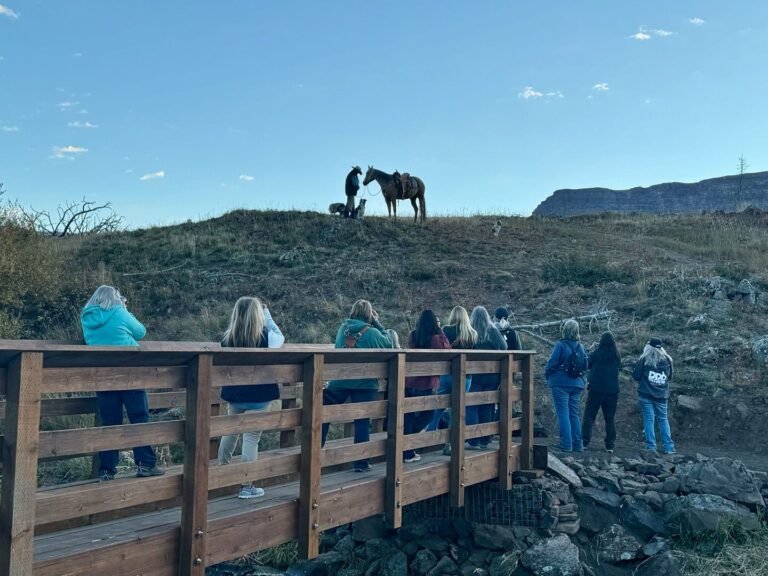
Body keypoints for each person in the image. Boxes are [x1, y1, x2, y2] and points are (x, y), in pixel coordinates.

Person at [80, 285, 165, 481]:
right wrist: (125, 310)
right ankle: (145, 464)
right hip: (130, 374)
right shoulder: (119, 311)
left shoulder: (86, 317)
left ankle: (106, 470)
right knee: (139, 417)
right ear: (115, 298)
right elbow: (140, 332)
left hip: (103, 377)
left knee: (110, 422)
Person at [217, 297, 285, 499]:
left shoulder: (226, 339)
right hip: (259, 395)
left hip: (235, 393)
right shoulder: (266, 337)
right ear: (258, 316)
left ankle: (221, 474)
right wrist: (268, 316)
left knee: (230, 432)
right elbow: (281, 338)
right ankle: (246, 485)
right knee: (251, 438)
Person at [322, 299, 393, 472]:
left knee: (323, 414)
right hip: (365, 383)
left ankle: (315, 451)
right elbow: (389, 344)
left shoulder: (342, 329)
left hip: (339, 381)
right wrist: (377, 323)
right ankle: (361, 463)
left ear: (353, 311)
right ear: (370, 314)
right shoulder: (373, 333)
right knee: (362, 422)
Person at [403, 309, 451, 463]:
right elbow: (447, 349)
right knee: (428, 415)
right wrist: (440, 330)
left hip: (410, 381)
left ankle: (406, 450)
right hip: (427, 382)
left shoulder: (413, 335)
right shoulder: (436, 337)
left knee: (409, 416)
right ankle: (407, 446)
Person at [427, 306, 477, 451]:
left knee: (439, 406)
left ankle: (430, 436)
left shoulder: (446, 330)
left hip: (446, 373)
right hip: (465, 376)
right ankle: (450, 443)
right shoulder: (472, 334)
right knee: (458, 409)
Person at [466, 306, 507, 450]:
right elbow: (504, 347)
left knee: (471, 405)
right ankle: (485, 439)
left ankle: (473, 439)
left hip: (475, 374)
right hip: (492, 375)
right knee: (488, 405)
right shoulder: (493, 330)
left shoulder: (469, 330)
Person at [545, 319, 588, 452]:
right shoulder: (581, 347)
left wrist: (548, 375)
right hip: (577, 384)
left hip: (560, 383)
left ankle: (566, 444)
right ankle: (577, 444)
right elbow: (586, 365)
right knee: (574, 414)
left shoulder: (560, 345)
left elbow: (551, 364)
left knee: (563, 413)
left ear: (564, 330)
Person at [633, 337, 675, 454]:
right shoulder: (668, 360)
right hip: (662, 395)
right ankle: (669, 447)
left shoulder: (644, 358)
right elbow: (670, 377)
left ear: (648, 347)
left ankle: (651, 447)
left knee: (649, 420)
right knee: (663, 419)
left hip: (646, 394)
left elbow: (636, 375)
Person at [581, 332, 621, 453]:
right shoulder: (616, 355)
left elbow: (586, 365)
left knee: (589, 416)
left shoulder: (596, 354)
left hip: (596, 390)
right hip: (612, 391)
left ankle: (584, 442)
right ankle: (610, 445)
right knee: (609, 418)